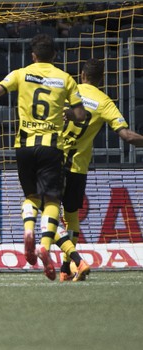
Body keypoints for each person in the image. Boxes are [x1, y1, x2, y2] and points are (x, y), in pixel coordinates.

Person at [0, 34, 88, 281]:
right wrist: (65, 111)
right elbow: (80, 115)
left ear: (33, 55)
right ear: (54, 56)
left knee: (31, 196)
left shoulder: (21, 73)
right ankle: (44, 246)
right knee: (53, 201)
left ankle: (28, 231)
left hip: (24, 146)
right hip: (51, 147)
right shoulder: (65, 78)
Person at [58, 58, 143, 281]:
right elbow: (127, 136)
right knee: (71, 216)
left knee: (43, 214)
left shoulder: (70, 90)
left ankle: (76, 261)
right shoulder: (104, 102)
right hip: (78, 168)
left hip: (54, 162)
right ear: (101, 79)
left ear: (82, 75)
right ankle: (66, 270)